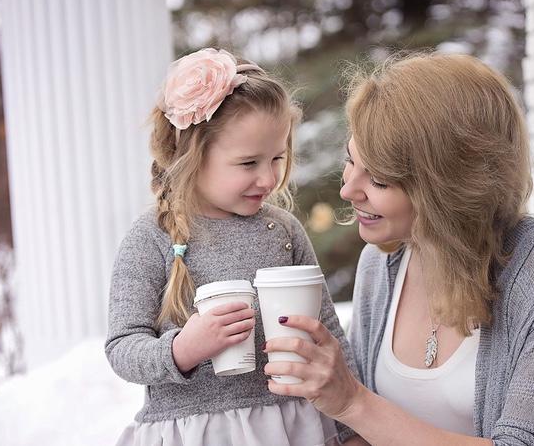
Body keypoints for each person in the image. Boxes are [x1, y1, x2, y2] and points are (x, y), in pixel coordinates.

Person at [263, 52, 534, 445]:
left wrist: (353, 402)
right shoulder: (381, 263)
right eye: (351, 162)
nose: (348, 190)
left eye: (381, 181)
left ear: (448, 186)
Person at [105, 48, 357, 446]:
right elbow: (122, 347)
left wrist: (350, 427)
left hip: (291, 426)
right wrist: (182, 350)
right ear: (192, 155)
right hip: (195, 431)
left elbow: (329, 333)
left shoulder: (283, 229)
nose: (269, 178)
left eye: (277, 157)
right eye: (248, 163)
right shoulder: (154, 236)